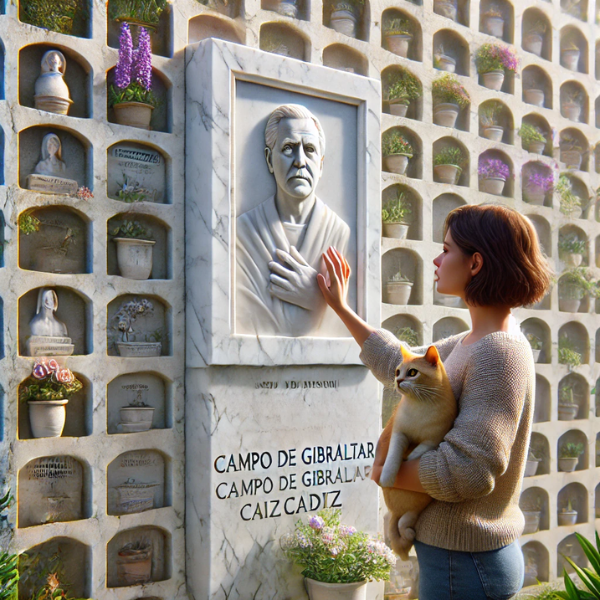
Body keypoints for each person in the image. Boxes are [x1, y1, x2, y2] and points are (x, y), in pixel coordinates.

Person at [316, 204, 552, 600]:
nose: (436, 259)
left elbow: (471, 470)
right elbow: (399, 362)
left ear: (475, 263)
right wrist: (342, 309)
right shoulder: (468, 343)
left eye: (446, 249)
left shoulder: (500, 354)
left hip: (466, 565)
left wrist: (385, 471)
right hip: (455, 561)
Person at [236, 104, 350, 337]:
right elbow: (250, 319)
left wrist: (316, 298)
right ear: (269, 159)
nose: (300, 161)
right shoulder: (244, 231)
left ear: (321, 164)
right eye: (288, 148)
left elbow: (340, 325)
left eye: (309, 149)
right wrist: (319, 300)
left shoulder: (339, 232)